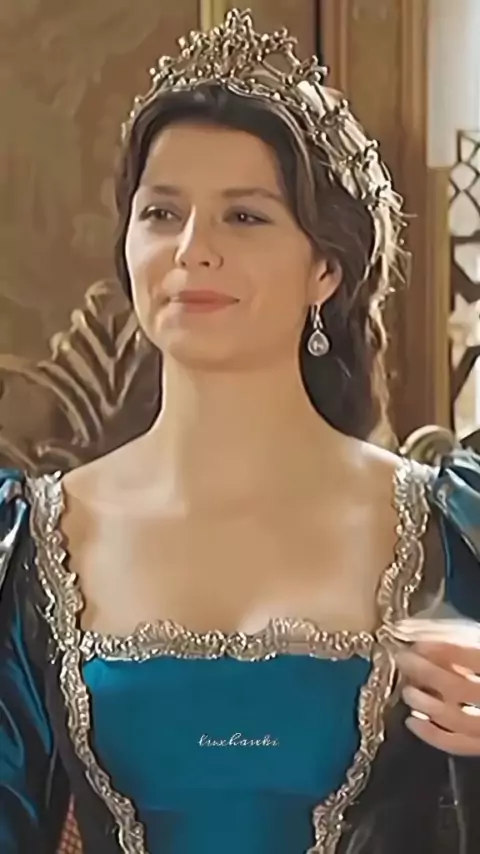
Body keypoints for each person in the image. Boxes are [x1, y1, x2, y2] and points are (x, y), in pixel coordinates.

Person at [1, 8, 480, 854]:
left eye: (245, 217)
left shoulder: (455, 530)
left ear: (326, 267)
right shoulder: (31, 543)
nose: (193, 249)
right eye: (162, 212)